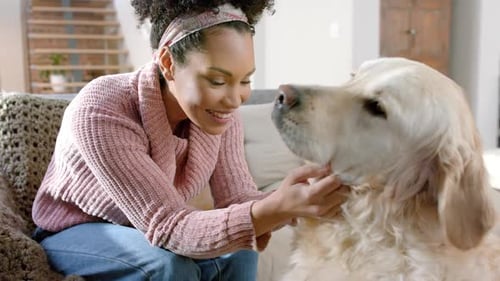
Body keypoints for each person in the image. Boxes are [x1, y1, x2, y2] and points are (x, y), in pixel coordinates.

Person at [31, 0, 347, 280]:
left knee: (242, 248)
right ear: (168, 64)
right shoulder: (101, 108)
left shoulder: (221, 114)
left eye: (246, 80)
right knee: (166, 266)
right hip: (73, 231)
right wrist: (273, 210)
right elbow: (168, 225)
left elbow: (237, 199)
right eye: (218, 80)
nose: (235, 99)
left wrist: (292, 198)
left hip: (140, 228)